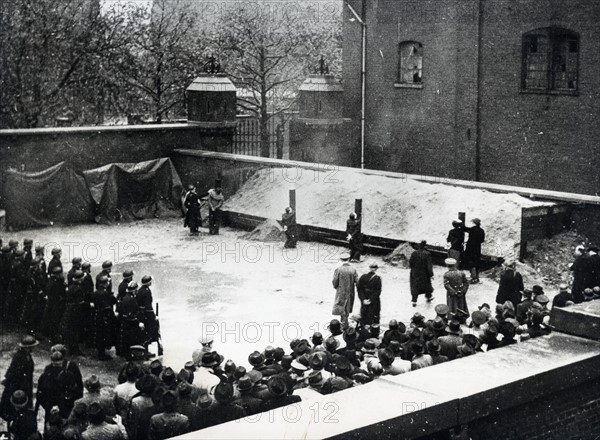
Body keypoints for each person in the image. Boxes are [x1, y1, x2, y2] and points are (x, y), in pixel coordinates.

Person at [0, 335, 37, 423]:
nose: (33, 348)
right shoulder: (19, 357)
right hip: (17, 387)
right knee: (14, 410)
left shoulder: (27, 356)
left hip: (25, 386)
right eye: (32, 347)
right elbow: (12, 372)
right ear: (27, 347)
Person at [91, 275, 117, 360]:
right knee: (103, 334)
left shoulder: (96, 292)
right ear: (105, 283)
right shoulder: (105, 293)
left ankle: (100, 352)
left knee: (99, 335)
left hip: (97, 315)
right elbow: (110, 303)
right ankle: (102, 354)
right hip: (104, 316)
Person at [137, 275, 163, 357]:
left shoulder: (140, 290)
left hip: (141, 314)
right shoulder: (147, 292)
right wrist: (154, 316)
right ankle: (146, 351)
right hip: (146, 315)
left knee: (144, 332)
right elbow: (148, 307)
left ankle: (144, 350)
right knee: (149, 331)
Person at [332, 253, 358, 329]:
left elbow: (335, 281)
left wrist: (336, 286)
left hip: (341, 292)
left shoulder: (338, 269)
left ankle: (344, 325)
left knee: (341, 308)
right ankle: (344, 324)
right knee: (347, 309)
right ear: (349, 259)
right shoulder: (353, 270)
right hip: (350, 292)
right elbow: (357, 281)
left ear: (341, 260)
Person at [409, 240, 435, 307]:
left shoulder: (414, 253)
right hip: (424, 273)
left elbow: (410, 263)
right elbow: (429, 266)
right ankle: (428, 297)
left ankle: (414, 301)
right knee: (426, 285)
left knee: (415, 286)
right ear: (425, 246)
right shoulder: (427, 254)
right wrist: (431, 274)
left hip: (415, 272)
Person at [357, 262, 382, 327]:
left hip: (364, 300)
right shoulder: (377, 278)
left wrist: (363, 299)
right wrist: (370, 300)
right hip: (373, 301)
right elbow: (378, 292)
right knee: (373, 317)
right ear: (376, 269)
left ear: (369, 268)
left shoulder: (363, 277)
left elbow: (359, 289)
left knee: (364, 316)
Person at [463, 218, 485, 283]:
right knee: (476, 262)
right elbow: (482, 240)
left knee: (471, 262)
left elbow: (466, 229)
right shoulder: (482, 230)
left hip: (470, 247)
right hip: (477, 248)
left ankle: (473, 277)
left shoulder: (472, 229)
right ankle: (477, 277)